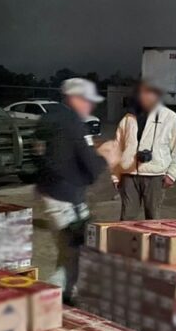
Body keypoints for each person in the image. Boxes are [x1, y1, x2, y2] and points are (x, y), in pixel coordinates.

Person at [36, 78, 119, 301]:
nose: (90, 106)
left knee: (67, 253)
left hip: (51, 195)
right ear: (75, 98)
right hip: (65, 199)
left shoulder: (52, 118)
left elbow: (63, 159)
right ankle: (53, 299)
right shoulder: (72, 123)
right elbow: (91, 169)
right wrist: (106, 156)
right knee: (74, 256)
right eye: (87, 101)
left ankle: (63, 297)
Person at [112, 81, 176, 220]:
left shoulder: (170, 118)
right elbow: (117, 149)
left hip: (155, 176)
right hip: (129, 176)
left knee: (153, 219)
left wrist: (172, 175)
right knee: (126, 219)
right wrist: (115, 176)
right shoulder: (127, 119)